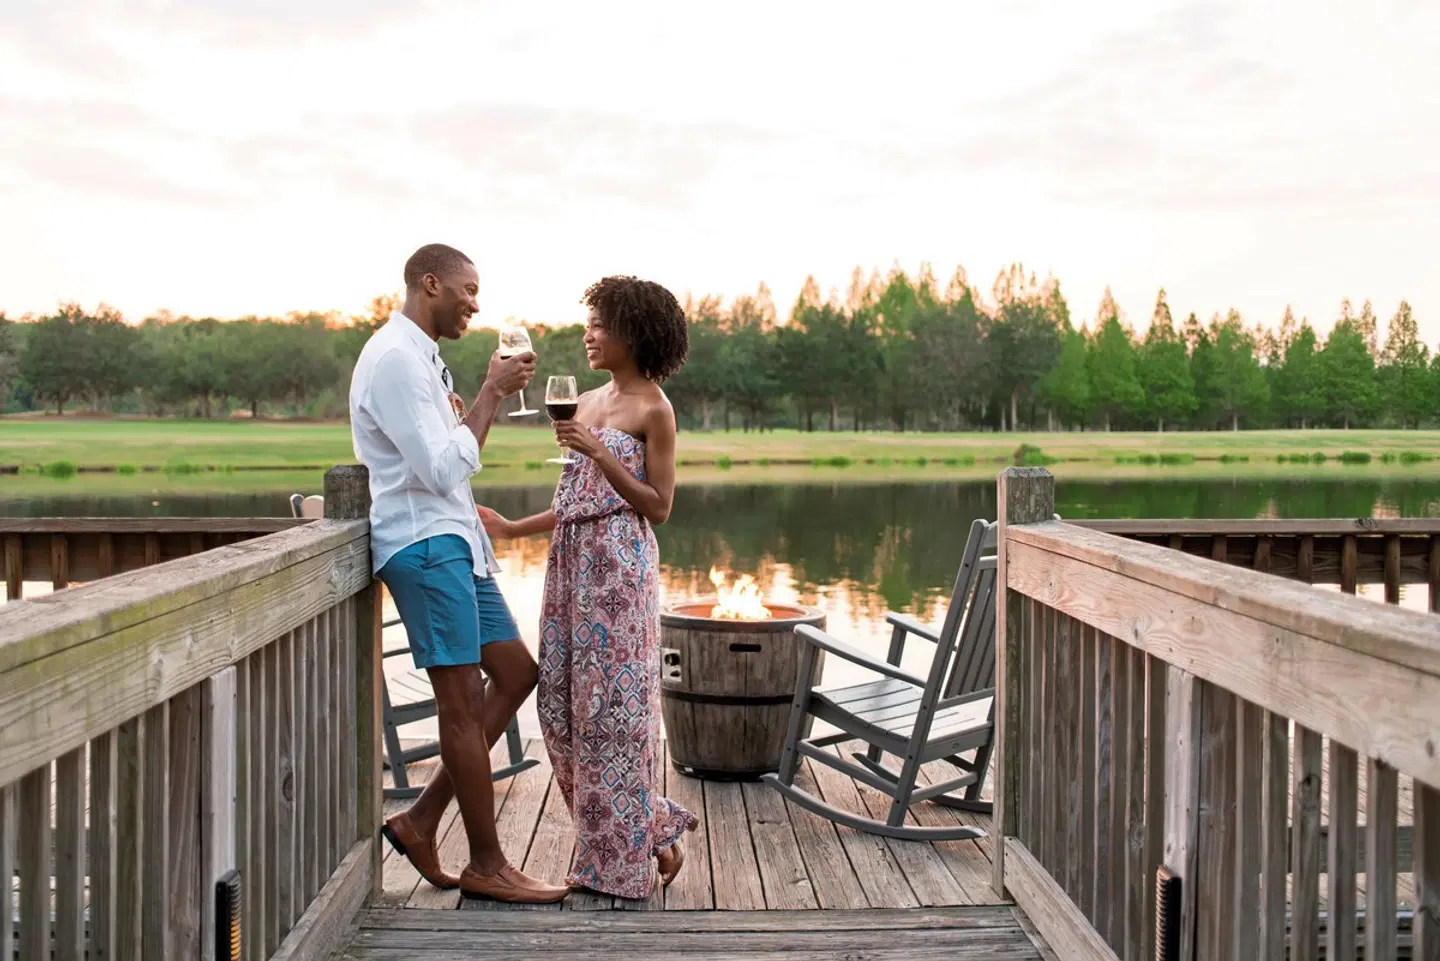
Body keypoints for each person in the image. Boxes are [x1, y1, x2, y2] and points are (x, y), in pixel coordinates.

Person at [349, 242, 568, 905]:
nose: (476, 302)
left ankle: (419, 818)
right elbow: (442, 468)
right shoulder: (392, 360)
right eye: (468, 290)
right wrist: (493, 392)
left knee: (515, 671)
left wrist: (485, 399)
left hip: (455, 541)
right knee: (461, 707)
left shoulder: (424, 357)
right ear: (431, 283)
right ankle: (487, 862)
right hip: (422, 546)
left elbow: (449, 458)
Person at [479, 275, 697, 900]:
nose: (589, 334)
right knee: (562, 710)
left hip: (620, 575)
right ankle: (649, 826)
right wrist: (516, 526)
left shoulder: (654, 409)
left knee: (614, 718)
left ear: (636, 333)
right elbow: (576, 500)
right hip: (570, 566)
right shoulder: (588, 400)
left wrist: (602, 455)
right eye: (590, 323)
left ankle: (614, 864)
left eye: (602, 325)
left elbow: (657, 507)